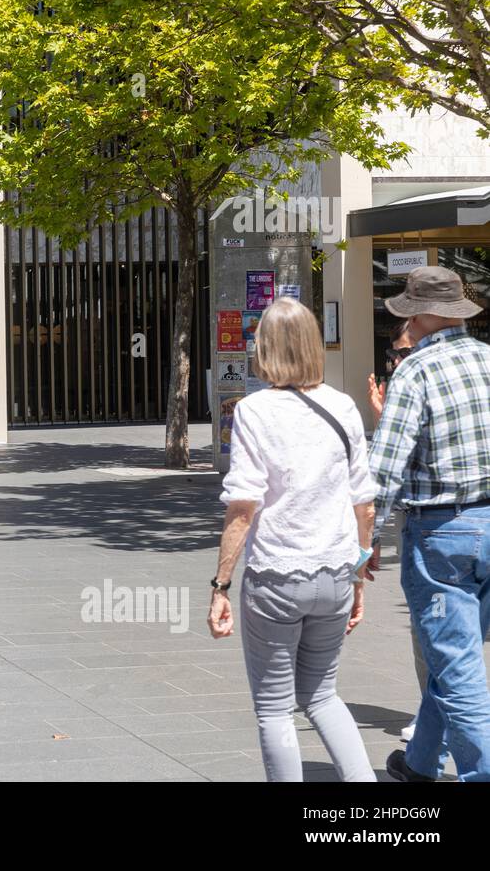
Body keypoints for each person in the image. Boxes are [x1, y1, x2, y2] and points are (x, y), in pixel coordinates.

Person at [209, 297, 377, 782]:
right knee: (323, 695)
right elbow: (363, 504)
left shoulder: (255, 411)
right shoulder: (343, 405)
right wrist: (360, 576)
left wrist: (220, 586)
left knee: (275, 710)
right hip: (336, 574)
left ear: (264, 349)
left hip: (278, 578)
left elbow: (243, 508)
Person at [369, 265, 490, 782]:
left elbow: (384, 469)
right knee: (454, 660)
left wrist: (364, 540)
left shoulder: (415, 371)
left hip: (443, 532)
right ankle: (419, 765)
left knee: (458, 669)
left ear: (422, 314)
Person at [367, 319, 425, 745]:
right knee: (439, 630)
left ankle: (434, 721)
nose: (395, 363)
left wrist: (367, 540)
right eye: (392, 356)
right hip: (427, 519)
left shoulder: (421, 380)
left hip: (437, 525)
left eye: (401, 354)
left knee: (433, 626)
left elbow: (387, 470)